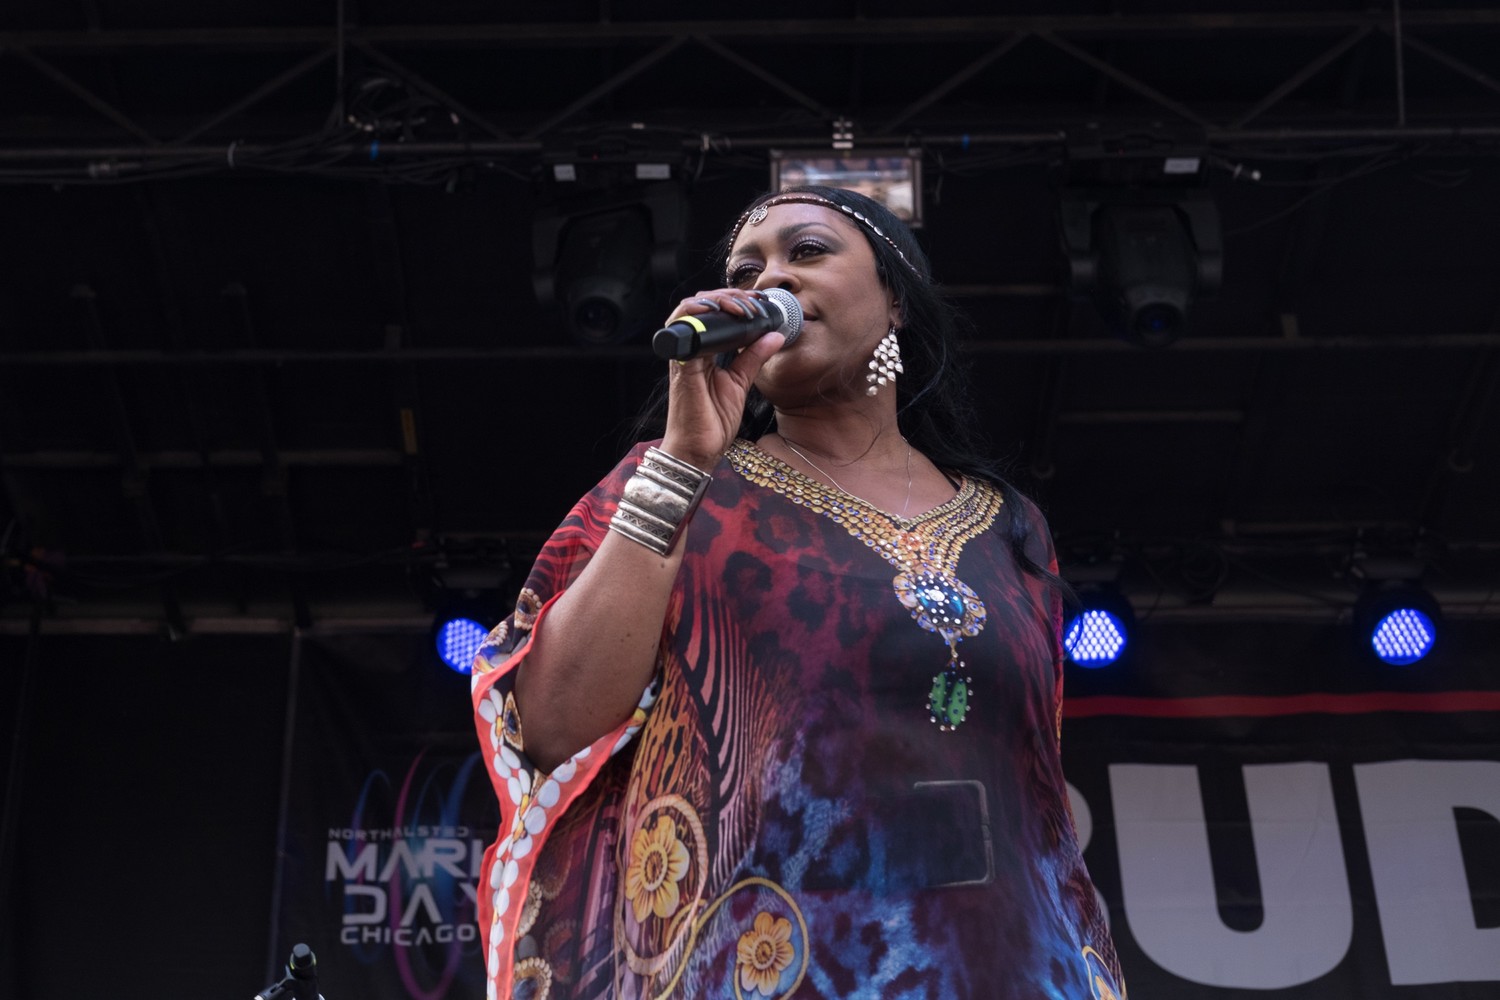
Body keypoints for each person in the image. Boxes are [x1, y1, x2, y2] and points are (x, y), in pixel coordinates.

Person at [470, 185, 1126, 1000]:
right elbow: (551, 728)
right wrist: (683, 463)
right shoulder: (677, 486)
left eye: (806, 251)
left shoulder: (1009, 527)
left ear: (896, 300)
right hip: (763, 971)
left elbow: (1038, 802)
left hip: (1009, 969)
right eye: (746, 271)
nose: (769, 280)